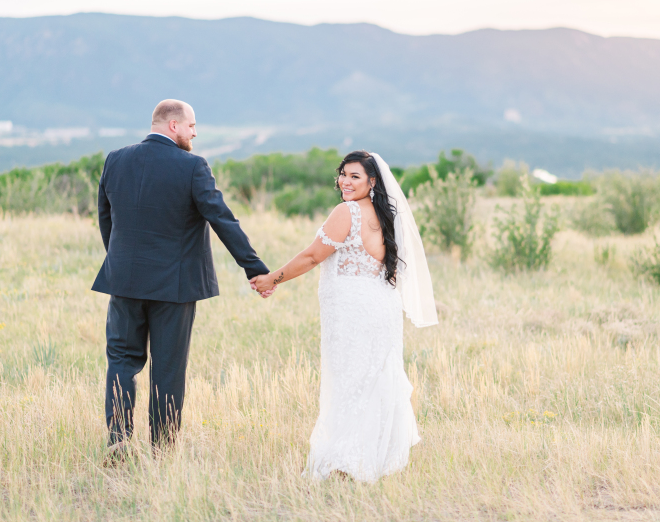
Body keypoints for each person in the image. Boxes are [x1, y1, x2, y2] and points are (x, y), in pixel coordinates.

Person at [92, 99, 274, 463]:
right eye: (192, 126)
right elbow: (222, 219)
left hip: (124, 281)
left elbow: (105, 218)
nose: (195, 132)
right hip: (173, 287)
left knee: (122, 362)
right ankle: (162, 449)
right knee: (169, 367)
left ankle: (118, 441)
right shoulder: (192, 166)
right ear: (173, 125)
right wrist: (254, 268)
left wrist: (122, 261)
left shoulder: (115, 159)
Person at [252, 150, 438, 482]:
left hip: (354, 312)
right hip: (381, 308)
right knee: (372, 382)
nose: (345, 182)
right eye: (343, 174)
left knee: (350, 383)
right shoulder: (385, 214)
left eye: (355, 176)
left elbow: (311, 257)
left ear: (372, 181)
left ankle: (347, 462)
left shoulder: (347, 212)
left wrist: (272, 279)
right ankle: (373, 459)